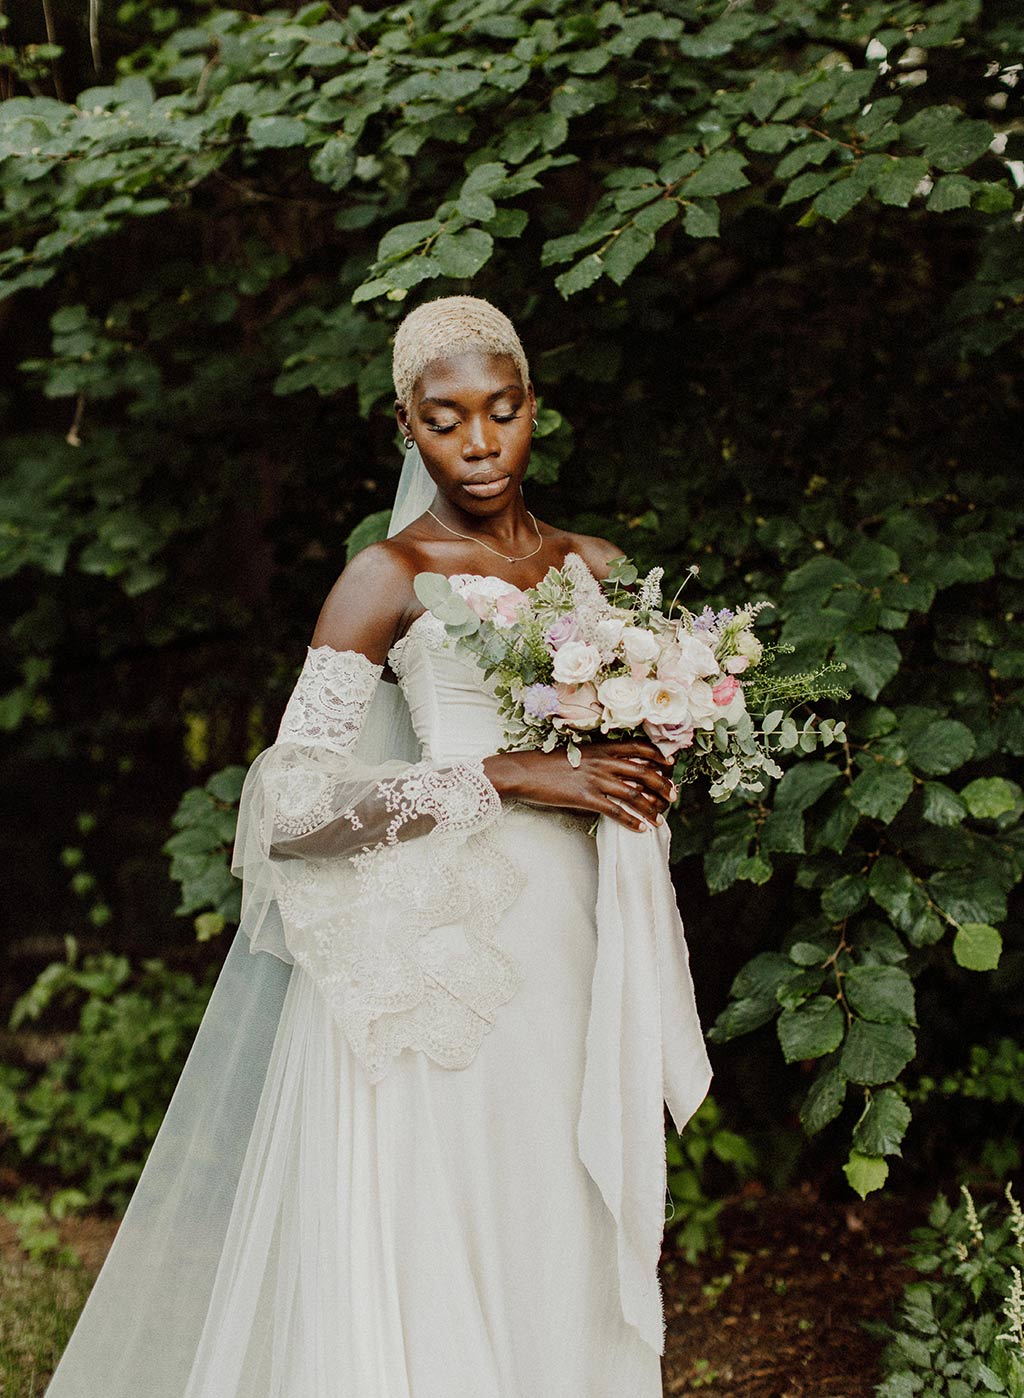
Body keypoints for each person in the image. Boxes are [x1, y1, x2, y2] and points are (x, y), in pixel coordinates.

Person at [45, 295, 712, 1397]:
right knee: (442, 1210)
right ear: (406, 427)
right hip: (445, 955)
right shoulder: (385, 575)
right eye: (445, 419)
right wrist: (505, 772)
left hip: (574, 946)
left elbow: (628, 750)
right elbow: (293, 813)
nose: (480, 441)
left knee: (558, 1202)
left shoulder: (597, 566)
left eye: (502, 410)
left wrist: (645, 760)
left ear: (534, 407)